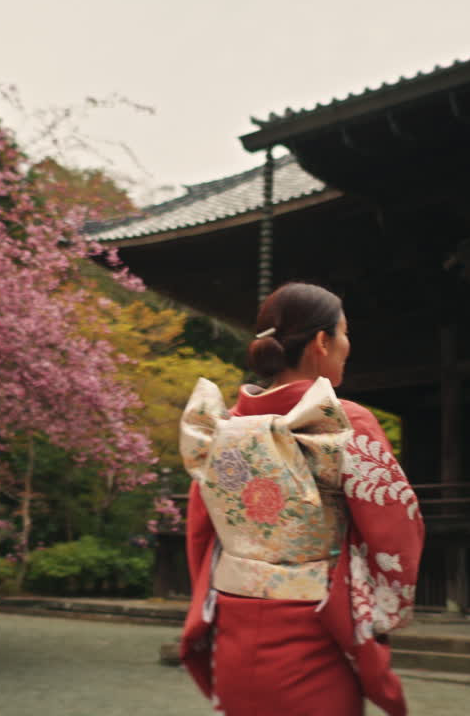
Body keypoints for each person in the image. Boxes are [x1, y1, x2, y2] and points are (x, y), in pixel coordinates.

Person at [179, 282, 425, 716]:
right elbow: (397, 534)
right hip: (319, 635)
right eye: (345, 333)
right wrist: (377, 608)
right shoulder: (348, 424)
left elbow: (201, 533)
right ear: (321, 342)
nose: (348, 346)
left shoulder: (221, 430)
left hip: (235, 635)